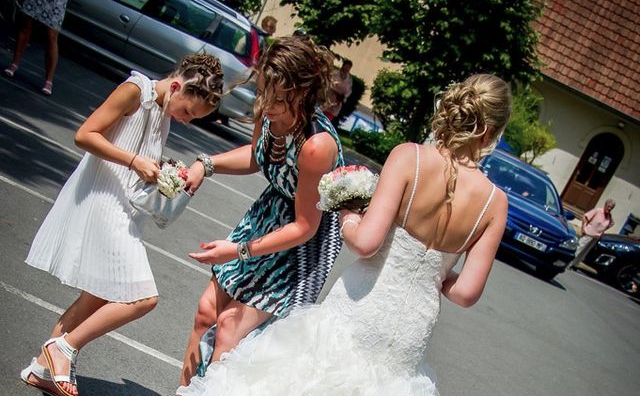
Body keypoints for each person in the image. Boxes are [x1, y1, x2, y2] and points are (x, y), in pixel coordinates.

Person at [177, 73, 512, 395]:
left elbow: (366, 243)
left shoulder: (411, 158)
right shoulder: (495, 203)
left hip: (362, 306)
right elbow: (466, 293)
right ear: (492, 132)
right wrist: (431, 272)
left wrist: (348, 214)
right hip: (410, 331)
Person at [20, 54, 224, 396]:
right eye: (188, 111)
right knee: (143, 297)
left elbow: (142, 156)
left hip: (125, 208)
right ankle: (63, 349)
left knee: (97, 296)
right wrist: (133, 161)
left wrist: (168, 174)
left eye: (193, 118)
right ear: (176, 86)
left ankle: (42, 367)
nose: (186, 120)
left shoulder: (163, 112)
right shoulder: (135, 90)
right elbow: (85, 134)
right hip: (102, 201)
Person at [178, 36, 344, 387]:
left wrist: (237, 250)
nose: (266, 103)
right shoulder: (268, 111)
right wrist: (205, 164)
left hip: (299, 247)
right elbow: (258, 156)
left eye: (279, 98)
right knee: (206, 313)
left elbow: (305, 226)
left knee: (228, 333)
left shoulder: (316, 146)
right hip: (265, 219)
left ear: (301, 93)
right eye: (264, 91)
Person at [569, 199, 616, 270]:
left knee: (584, 252)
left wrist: (602, 231)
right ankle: (568, 262)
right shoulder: (598, 211)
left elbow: (611, 224)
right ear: (605, 205)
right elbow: (585, 217)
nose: (609, 208)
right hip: (588, 233)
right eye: (608, 206)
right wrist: (583, 228)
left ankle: (575, 264)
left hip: (596, 237)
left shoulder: (609, 217)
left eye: (611, 208)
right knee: (579, 249)